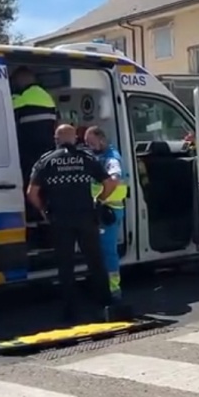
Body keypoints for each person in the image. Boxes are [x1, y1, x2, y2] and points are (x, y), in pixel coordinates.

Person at [26, 124, 125, 323]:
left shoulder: (46, 161)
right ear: (75, 140)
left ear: (56, 139)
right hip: (86, 218)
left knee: (65, 265)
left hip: (60, 219)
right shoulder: (86, 158)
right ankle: (105, 304)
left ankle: (69, 311)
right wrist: (99, 201)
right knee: (95, 262)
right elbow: (111, 182)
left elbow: (31, 193)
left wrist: (44, 210)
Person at [84, 126, 128, 301]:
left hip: (109, 210)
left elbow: (114, 181)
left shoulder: (111, 158)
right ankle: (103, 286)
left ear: (102, 139)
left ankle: (113, 290)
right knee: (100, 251)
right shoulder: (97, 156)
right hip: (101, 210)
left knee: (107, 251)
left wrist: (100, 199)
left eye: (91, 142)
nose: (89, 146)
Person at [12, 67, 58, 192]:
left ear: (22, 79)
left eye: (15, 80)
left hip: (28, 150)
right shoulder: (46, 96)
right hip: (48, 149)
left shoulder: (23, 96)